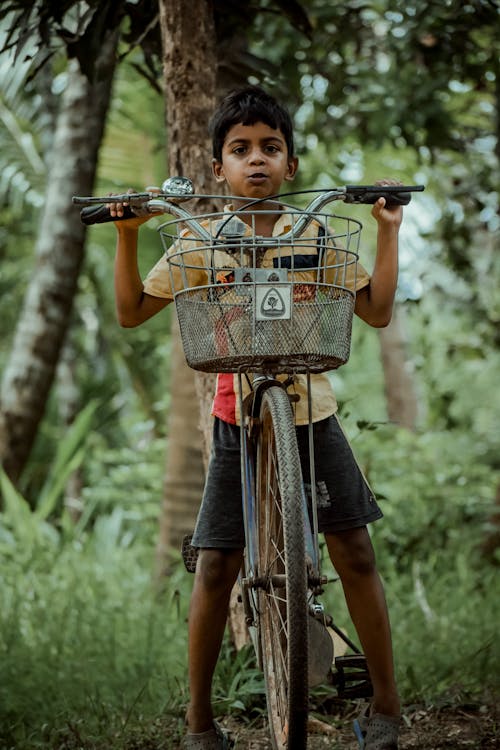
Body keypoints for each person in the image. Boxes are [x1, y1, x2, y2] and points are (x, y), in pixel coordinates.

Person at [110, 86, 402, 750]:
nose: (257, 160)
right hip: (233, 416)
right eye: (240, 150)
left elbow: (377, 311)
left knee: (353, 550)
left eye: (271, 147)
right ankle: (200, 721)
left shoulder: (319, 233)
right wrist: (128, 236)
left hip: (312, 409)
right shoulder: (198, 240)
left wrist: (388, 230)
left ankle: (386, 706)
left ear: (292, 166)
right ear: (218, 168)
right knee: (216, 565)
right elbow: (132, 312)